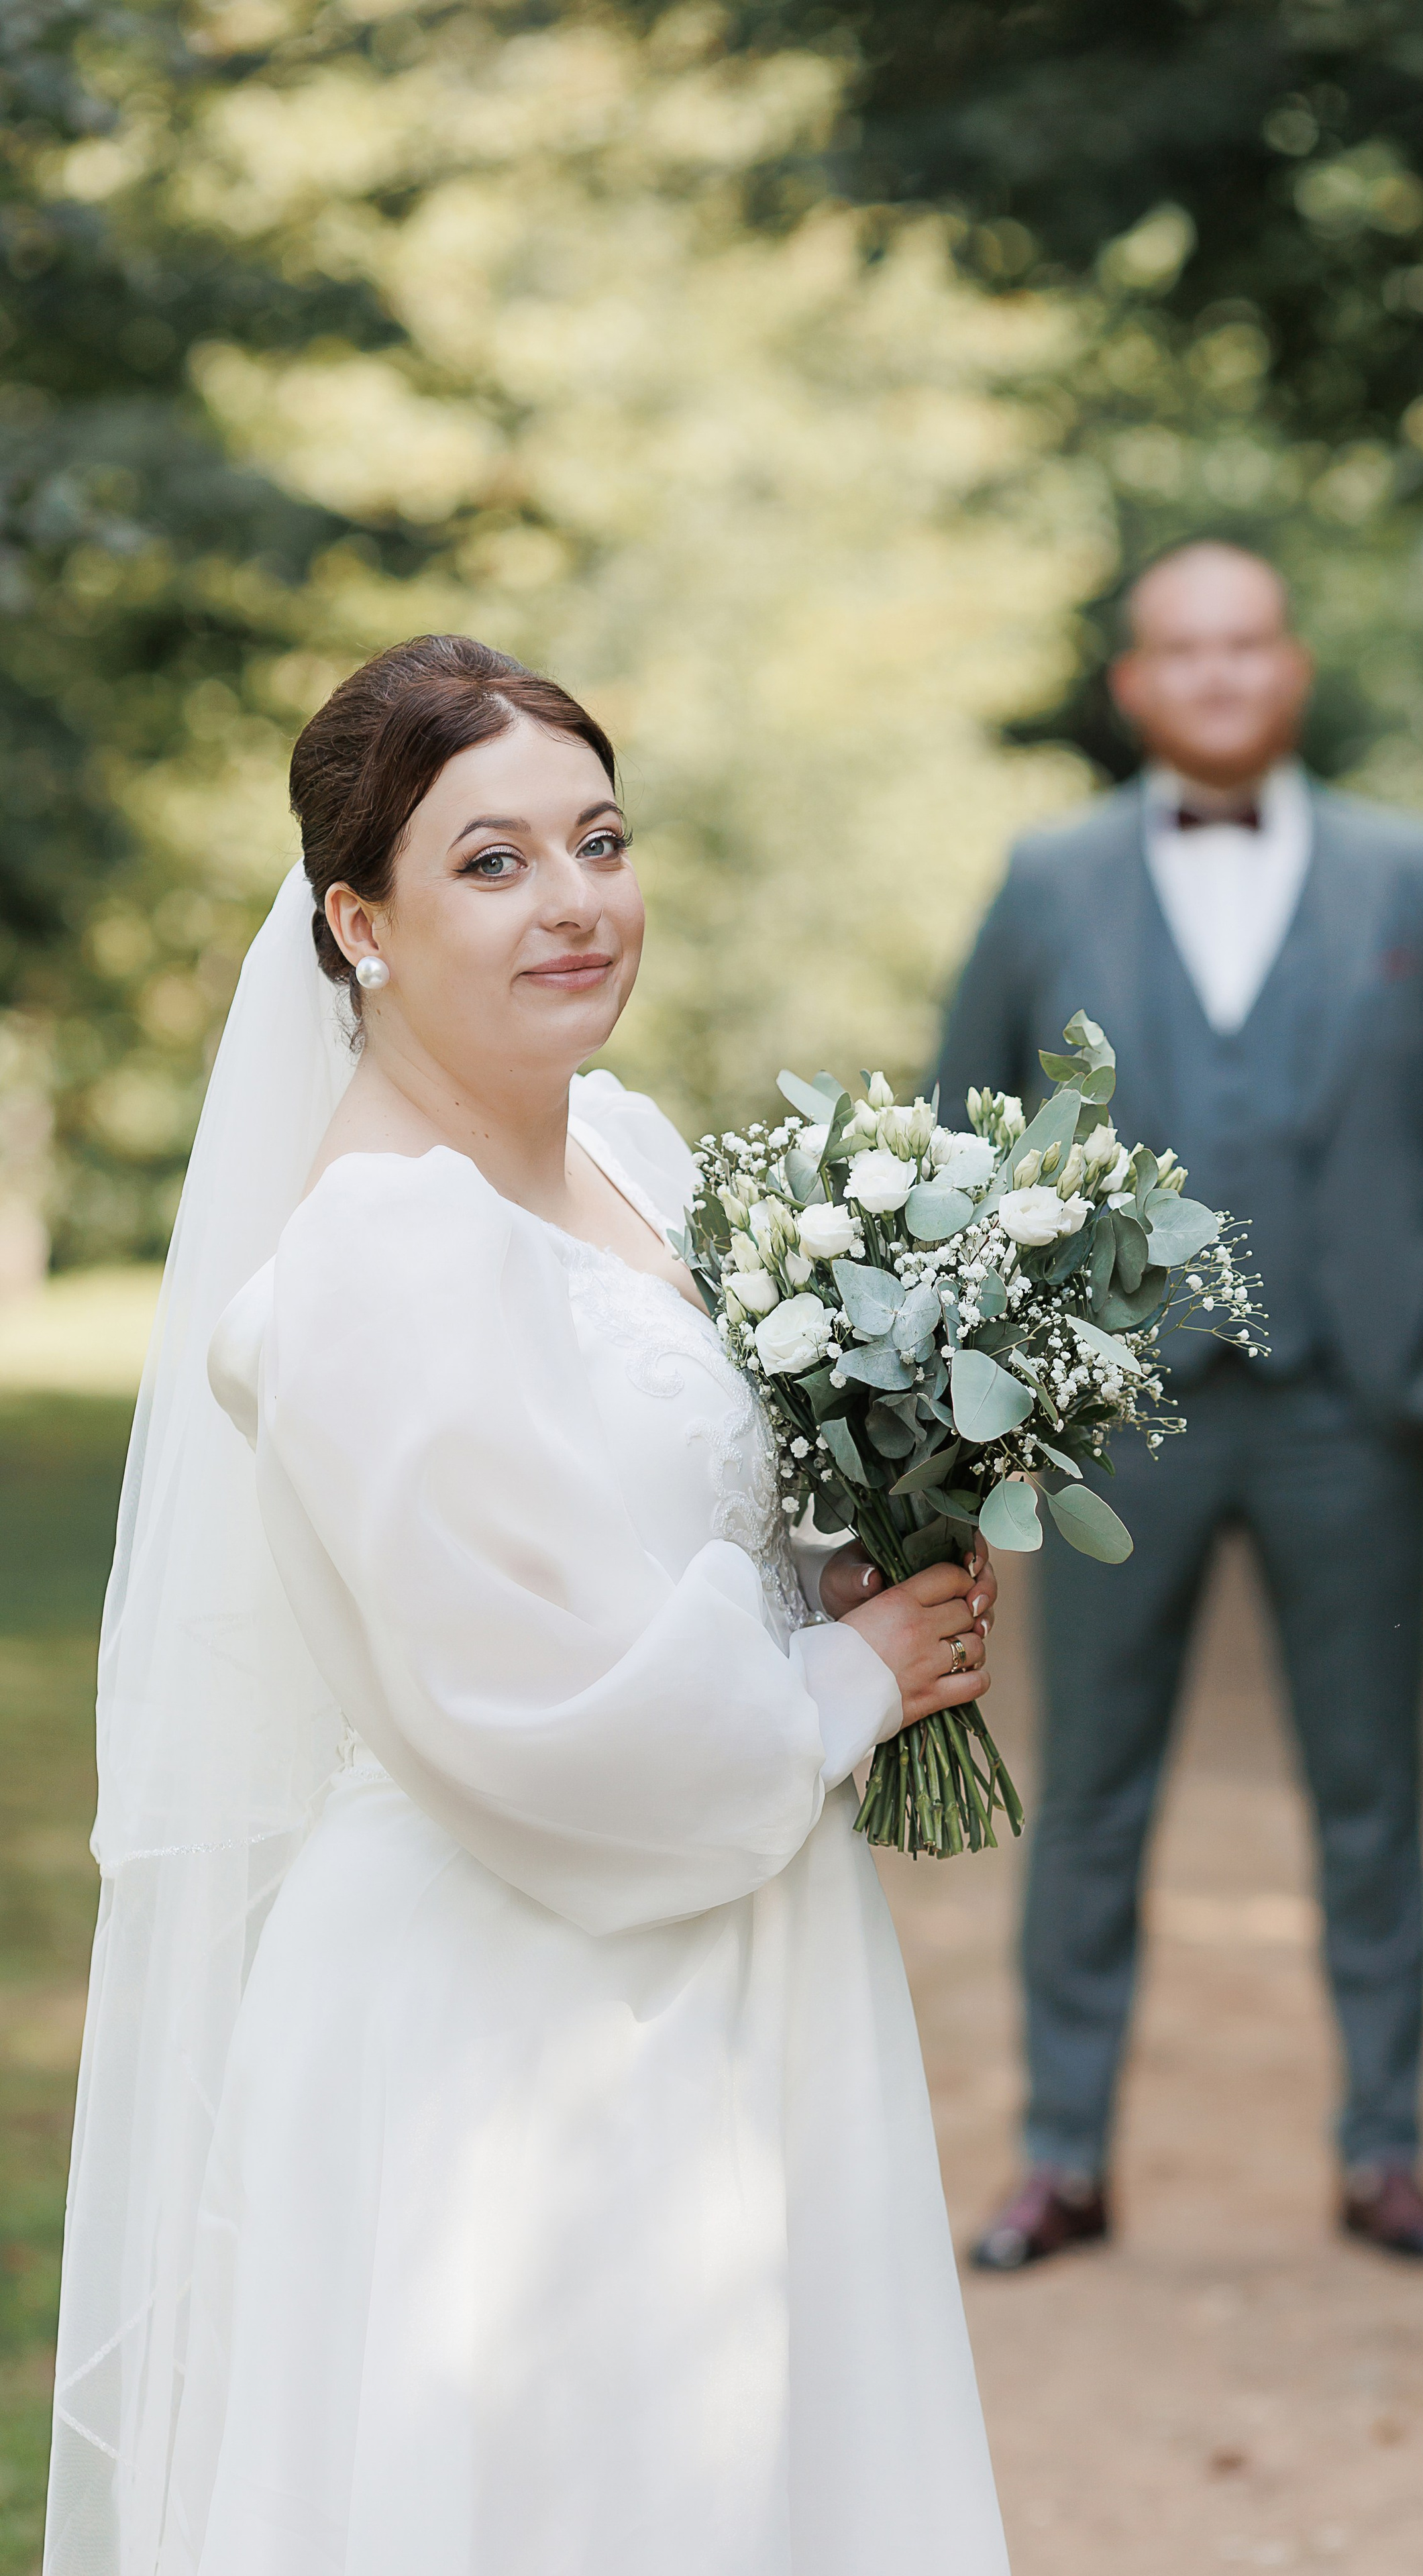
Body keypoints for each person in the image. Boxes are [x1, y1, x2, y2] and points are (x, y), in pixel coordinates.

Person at [46, 635, 1010, 2576]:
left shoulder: (636, 1155)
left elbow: (664, 1520)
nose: (576, 902)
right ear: (360, 922)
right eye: (492, 863)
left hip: (739, 1940)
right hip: (516, 2005)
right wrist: (851, 1673)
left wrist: (850, 1544)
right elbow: (523, 1707)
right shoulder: (377, 1262)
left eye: (600, 839)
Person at [938, 541, 1423, 2271]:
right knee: (1092, 1793)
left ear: (1289, 670)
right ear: (1133, 687)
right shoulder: (1044, 878)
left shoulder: (1410, 875)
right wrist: (1024, 1379)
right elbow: (961, 1137)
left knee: (1371, 1790)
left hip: (1354, 1410)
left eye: (1244, 646)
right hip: (1123, 1425)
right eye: (1179, 652)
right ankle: (1063, 2156)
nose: (1215, 676)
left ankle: (1388, 2153)